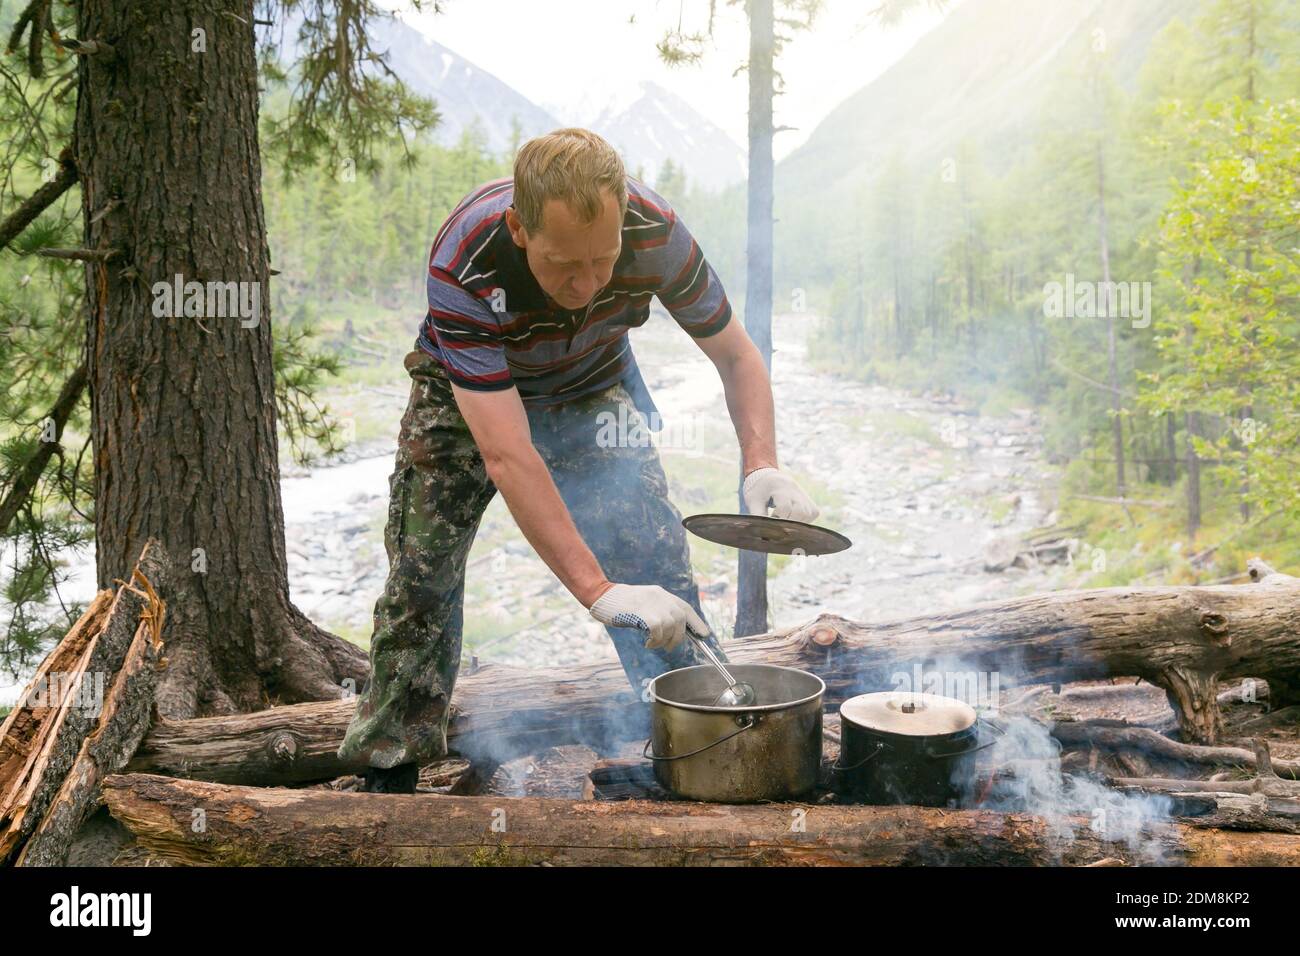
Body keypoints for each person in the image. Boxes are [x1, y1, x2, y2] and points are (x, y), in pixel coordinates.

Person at [337, 128, 819, 793]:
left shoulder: (656, 235)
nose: (587, 283)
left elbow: (736, 353)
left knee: (653, 560)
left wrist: (761, 462)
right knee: (422, 578)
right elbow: (509, 455)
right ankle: (390, 768)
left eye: (604, 259)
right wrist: (596, 592)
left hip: (592, 385)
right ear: (520, 228)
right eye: (565, 263)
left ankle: (693, 741)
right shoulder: (466, 260)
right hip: (465, 399)